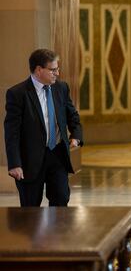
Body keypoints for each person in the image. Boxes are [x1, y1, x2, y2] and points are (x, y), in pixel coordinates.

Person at [4, 48, 83, 207]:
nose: (57, 73)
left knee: (61, 201)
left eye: (57, 69)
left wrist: (76, 135)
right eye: (53, 70)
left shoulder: (61, 88)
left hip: (58, 154)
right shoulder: (18, 93)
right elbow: (12, 133)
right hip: (30, 161)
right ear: (39, 70)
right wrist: (14, 163)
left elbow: (72, 115)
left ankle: (56, 233)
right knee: (31, 208)